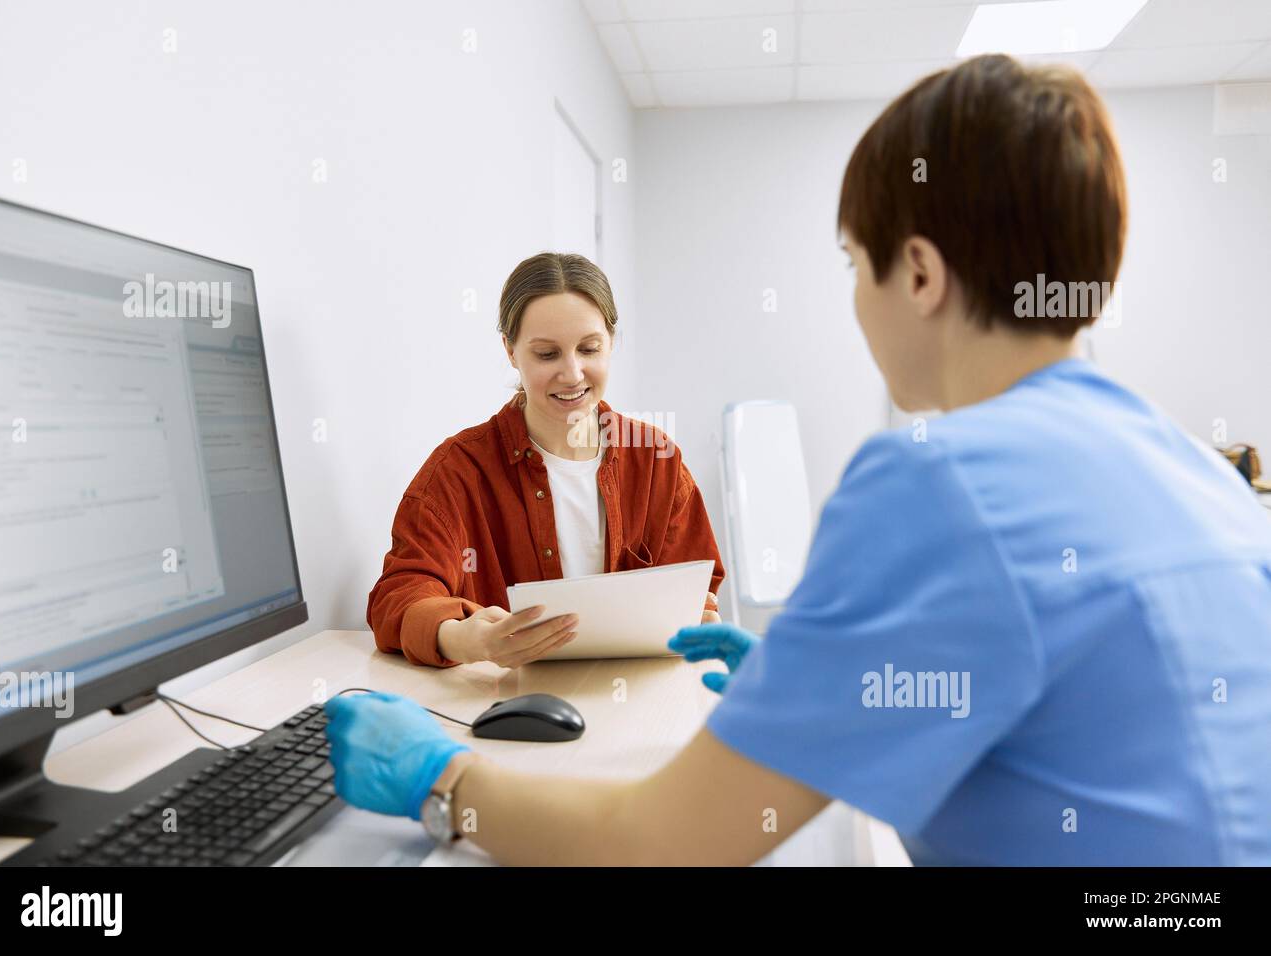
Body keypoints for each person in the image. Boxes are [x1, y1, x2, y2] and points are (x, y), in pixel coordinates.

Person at [330, 54, 1271, 865]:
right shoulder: (1200, 471)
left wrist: (440, 775)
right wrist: (828, 676)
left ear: (918, 274)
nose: (857, 305)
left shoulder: (933, 478)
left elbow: (655, 845)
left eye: (854, 263)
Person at [366, 251, 724, 669]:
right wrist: (463, 639)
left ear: (611, 341)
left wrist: (696, 615)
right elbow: (400, 595)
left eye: (589, 348)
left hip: (637, 696)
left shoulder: (655, 459)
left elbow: (700, 585)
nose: (572, 373)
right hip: (502, 703)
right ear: (511, 351)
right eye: (547, 354)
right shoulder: (458, 470)